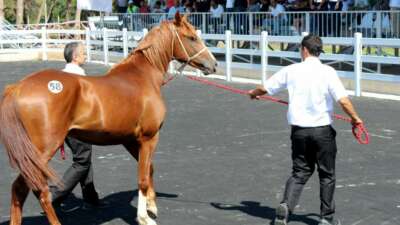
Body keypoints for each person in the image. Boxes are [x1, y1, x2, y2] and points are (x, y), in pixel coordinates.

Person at [248, 34, 363, 225]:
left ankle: (285, 207)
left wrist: (253, 93)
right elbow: (342, 100)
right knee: (327, 174)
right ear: (319, 52)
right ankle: (326, 218)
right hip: (322, 132)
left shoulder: (291, 70)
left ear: (304, 49)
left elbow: (266, 87)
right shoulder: (328, 72)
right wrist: (355, 118)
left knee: (300, 172)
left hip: (299, 132)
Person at [50, 42, 106, 210]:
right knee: (82, 160)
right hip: (78, 124)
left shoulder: (60, 75)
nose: (85, 55)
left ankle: (90, 198)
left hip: (63, 124)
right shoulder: (80, 77)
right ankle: (53, 196)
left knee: (84, 157)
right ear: (75, 57)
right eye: (83, 53)